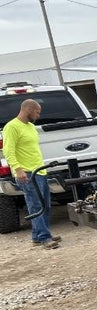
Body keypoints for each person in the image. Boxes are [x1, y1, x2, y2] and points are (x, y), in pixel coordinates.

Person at [2, 98, 61, 249]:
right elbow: (8, 150)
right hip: (27, 173)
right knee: (36, 205)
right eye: (37, 112)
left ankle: (38, 235)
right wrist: (18, 169)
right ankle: (44, 237)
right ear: (29, 109)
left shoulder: (30, 127)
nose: (38, 116)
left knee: (45, 205)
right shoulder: (12, 127)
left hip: (40, 170)